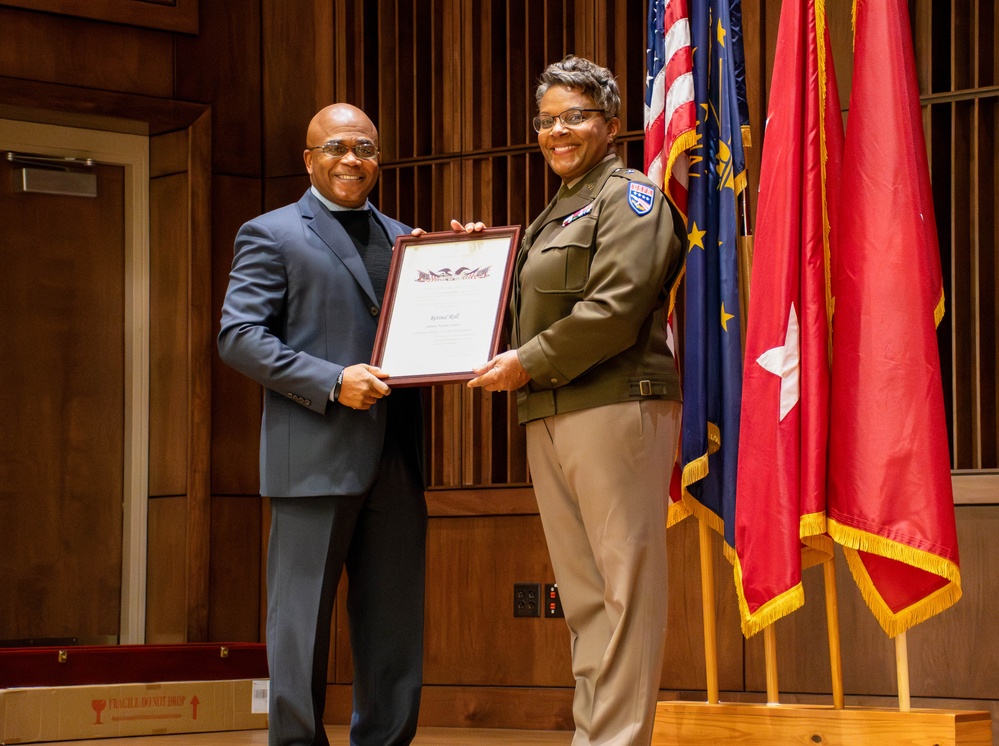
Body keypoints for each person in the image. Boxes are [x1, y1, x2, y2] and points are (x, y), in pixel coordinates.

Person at [467, 56, 685, 745]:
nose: (557, 131)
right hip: (549, 414)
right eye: (547, 119)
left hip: (616, 407)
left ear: (611, 125)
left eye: (575, 117)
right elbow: (529, 309)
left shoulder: (630, 199)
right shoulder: (551, 213)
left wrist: (526, 363)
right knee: (584, 597)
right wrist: (477, 264)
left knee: (624, 593)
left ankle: (617, 739)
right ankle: (594, 736)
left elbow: (615, 309)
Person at [218, 103, 427, 746]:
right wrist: (333, 381)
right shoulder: (271, 233)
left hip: (395, 457)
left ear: (378, 159)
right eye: (335, 147)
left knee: (393, 625)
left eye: (364, 147)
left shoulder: (408, 239)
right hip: (312, 455)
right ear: (308, 160)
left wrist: (465, 258)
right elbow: (238, 336)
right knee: (300, 623)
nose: (351, 159)